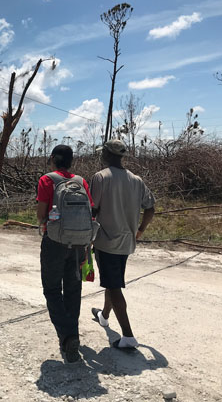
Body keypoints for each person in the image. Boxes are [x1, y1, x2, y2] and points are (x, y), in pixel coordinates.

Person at [90, 139, 155, 349]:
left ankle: (128, 336)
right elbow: (150, 208)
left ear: (107, 155)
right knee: (113, 281)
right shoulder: (136, 180)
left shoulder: (101, 177)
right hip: (127, 242)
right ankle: (104, 315)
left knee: (114, 285)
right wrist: (141, 231)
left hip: (106, 241)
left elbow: (92, 210)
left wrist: (85, 237)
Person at [36, 145, 94, 363]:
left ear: (52, 159)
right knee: (73, 290)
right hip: (79, 243)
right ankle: (72, 337)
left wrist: (44, 223)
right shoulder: (81, 182)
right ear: (71, 161)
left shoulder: (47, 180)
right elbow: (90, 211)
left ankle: (68, 336)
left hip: (54, 242)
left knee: (52, 289)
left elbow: (42, 214)